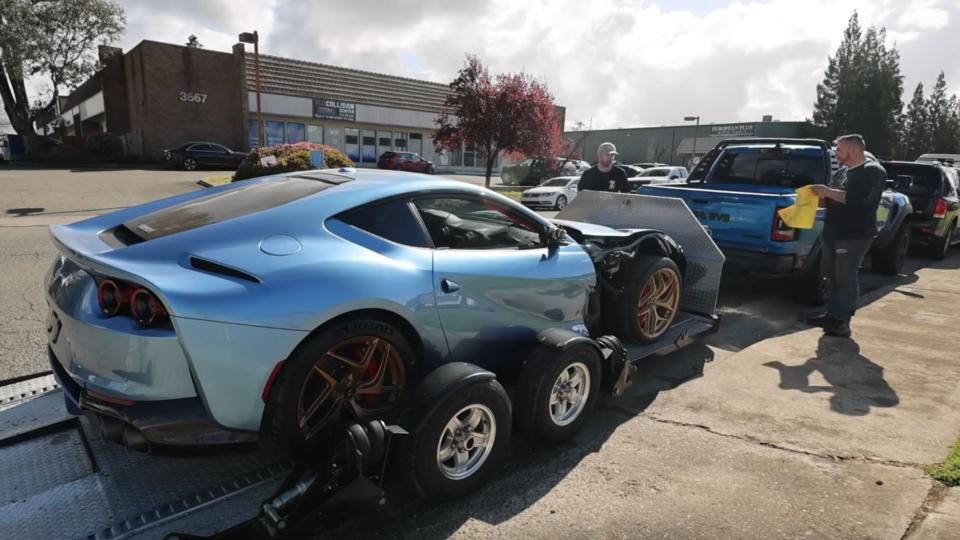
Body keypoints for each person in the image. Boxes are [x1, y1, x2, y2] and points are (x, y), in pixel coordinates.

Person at [806, 134, 885, 337]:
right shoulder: (842, 172)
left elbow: (858, 201)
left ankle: (842, 322)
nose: (836, 154)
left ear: (853, 149)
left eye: (840, 150)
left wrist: (826, 191)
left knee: (845, 277)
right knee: (831, 277)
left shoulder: (871, 172)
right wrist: (818, 199)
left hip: (854, 234)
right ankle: (831, 315)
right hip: (833, 231)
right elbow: (834, 198)